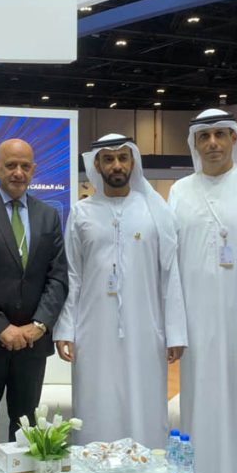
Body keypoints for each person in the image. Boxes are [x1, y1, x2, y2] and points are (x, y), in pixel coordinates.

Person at [55, 134, 186, 448]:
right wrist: (65, 329)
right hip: (92, 329)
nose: (116, 165)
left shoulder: (155, 211)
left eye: (123, 158)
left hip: (145, 328)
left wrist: (175, 332)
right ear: (97, 165)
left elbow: (170, 274)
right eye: (109, 159)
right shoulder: (81, 212)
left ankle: (147, 463)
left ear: (133, 162)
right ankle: (93, 467)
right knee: (95, 399)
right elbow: (72, 274)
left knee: (145, 399)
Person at [167, 108, 237, 473]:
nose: (213, 144)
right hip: (196, 326)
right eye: (204, 136)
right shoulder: (180, 191)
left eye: (221, 134)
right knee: (199, 412)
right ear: (194, 143)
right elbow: (170, 264)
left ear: (234, 138)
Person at [0, 139, 68, 455]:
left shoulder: (48, 215)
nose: (18, 172)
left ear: (33, 170)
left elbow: (58, 276)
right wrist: (1, 328)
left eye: (25, 166)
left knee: (27, 426)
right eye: (10, 165)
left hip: (32, 343)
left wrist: (40, 325)